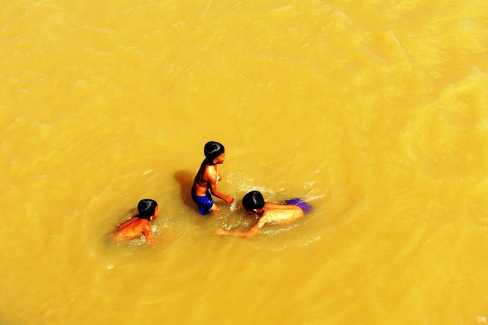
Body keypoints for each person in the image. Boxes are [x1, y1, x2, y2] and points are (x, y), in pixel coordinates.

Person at [215, 191, 311, 237]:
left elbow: (250, 234)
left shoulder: (265, 216)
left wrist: (226, 232)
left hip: (302, 214)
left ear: (254, 210)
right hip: (297, 203)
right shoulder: (266, 204)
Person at [191, 141, 234, 215]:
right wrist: (226, 198)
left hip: (196, 189)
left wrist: (217, 177)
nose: (225, 157)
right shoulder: (211, 175)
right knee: (216, 210)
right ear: (214, 160)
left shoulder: (208, 160)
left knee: (208, 207)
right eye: (223, 156)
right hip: (200, 196)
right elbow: (214, 192)